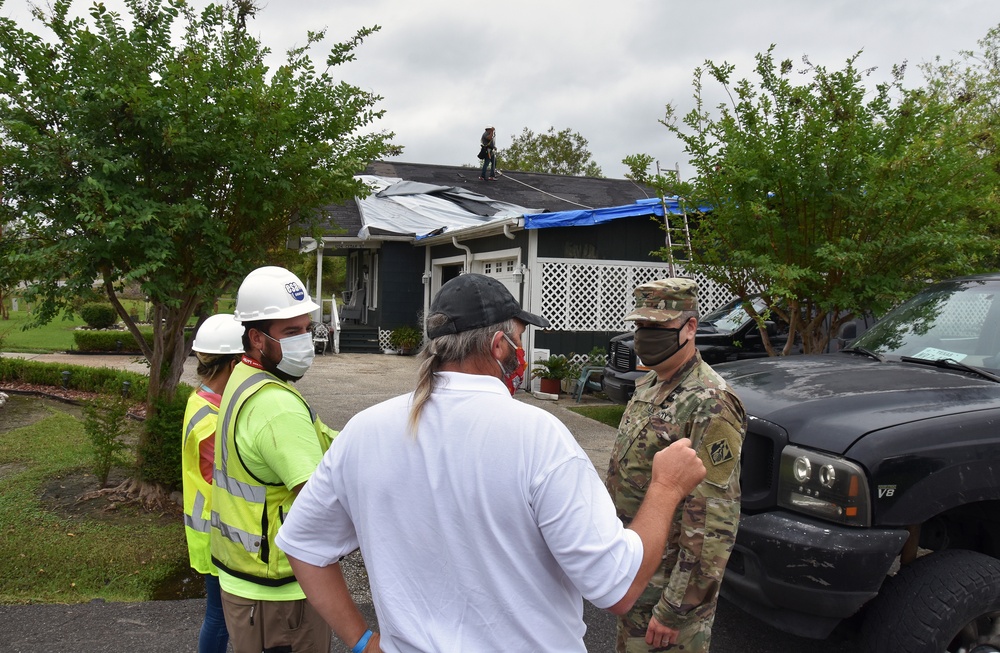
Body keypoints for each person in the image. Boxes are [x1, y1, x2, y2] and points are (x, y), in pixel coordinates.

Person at [275, 273, 708, 652]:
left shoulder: (365, 430)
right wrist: (666, 488)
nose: (520, 352)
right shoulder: (537, 436)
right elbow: (618, 586)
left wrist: (364, 642)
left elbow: (303, 546)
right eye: (519, 340)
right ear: (499, 345)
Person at [209, 266, 348, 653]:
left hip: (247, 581)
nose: (305, 340)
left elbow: (317, 439)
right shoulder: (276, 407)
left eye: (306, 328)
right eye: (291, 332)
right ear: (256, 337)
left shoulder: (244, 378)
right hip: (280, 595)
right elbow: (324, 504)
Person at [605, 278, 747, 653]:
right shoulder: (650, 384)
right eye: (641, 326)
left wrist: (676, 609)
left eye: (659, 327)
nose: (646, 336)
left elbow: (715, 519)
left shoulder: (711, 402)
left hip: (668, 593)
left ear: (691, 326)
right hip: (637, 574)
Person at [182, 313, 244, 653]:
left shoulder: (203, 401)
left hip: (213, 529)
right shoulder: (211, 417)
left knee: (218, 615)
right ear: (233, 364)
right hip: (216, 533)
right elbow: (225, 475)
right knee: (219, 618)